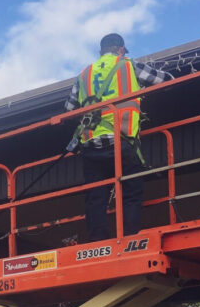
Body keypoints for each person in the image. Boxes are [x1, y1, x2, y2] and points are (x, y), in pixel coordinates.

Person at [65, 33, 172, 241]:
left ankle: (98, 242)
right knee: (131, 192)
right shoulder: (129, 66)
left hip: (91, 146)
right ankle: (129, 237)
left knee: (96, 197)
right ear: (121, 49)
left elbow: (69, 108)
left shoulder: (84, 74)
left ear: (100, 52)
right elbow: (166, 81)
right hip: (122, 142)